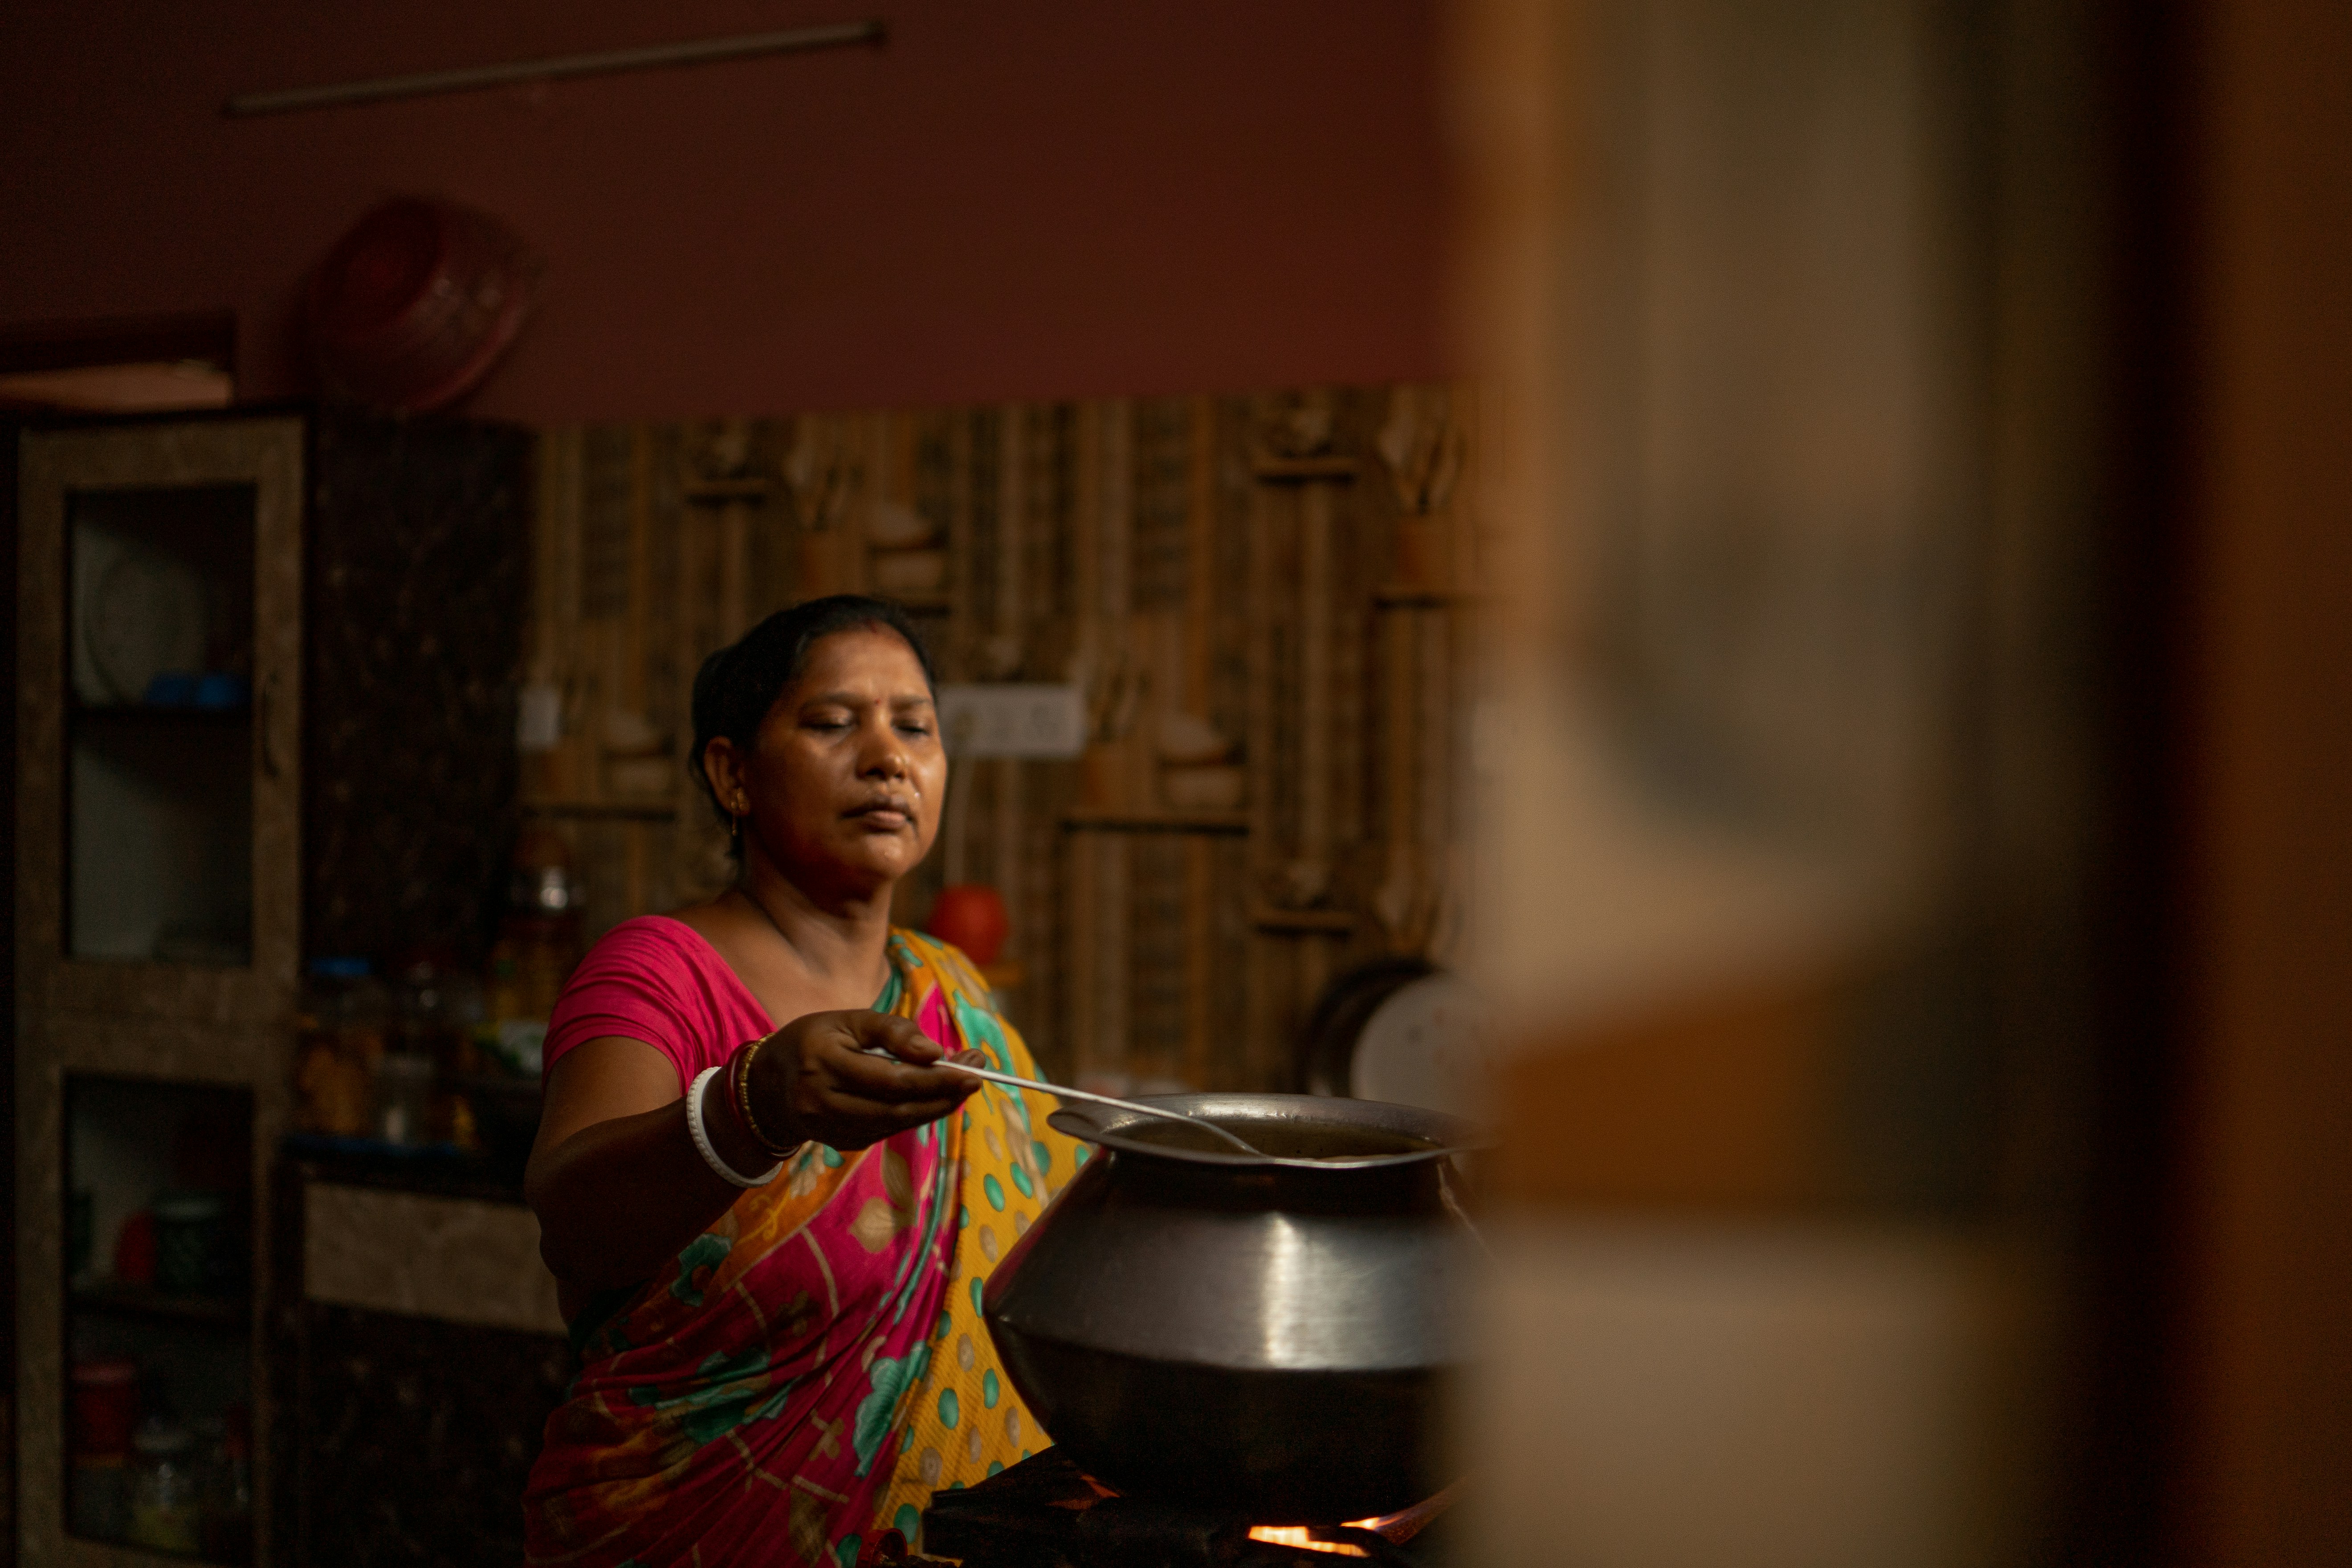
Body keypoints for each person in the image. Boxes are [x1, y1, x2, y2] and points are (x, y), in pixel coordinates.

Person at [522, 596, 1082, 1567]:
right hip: (694, 1525)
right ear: (732, 774)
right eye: (831, 723)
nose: (886, 757)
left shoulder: (950, 991)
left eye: (915, 726)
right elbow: (572, 1225)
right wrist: (750, 1109)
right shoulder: (658, 971)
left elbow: (1056, 1233)